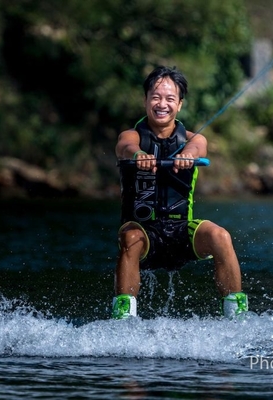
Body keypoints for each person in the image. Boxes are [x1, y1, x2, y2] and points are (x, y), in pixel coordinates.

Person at [112, 65, 248, 319]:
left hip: (180, 231)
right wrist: (139, 155)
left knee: (220, 235)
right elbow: (124, 147)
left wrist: (187, 155)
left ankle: (236, 315)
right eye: (156, 97)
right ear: (145, 101)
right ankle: (123, 319)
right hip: (143, 232)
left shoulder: (192, 139)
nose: (162, 104)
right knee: (129, 238)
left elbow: (199, 148)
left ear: (180, 105)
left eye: (170, 98)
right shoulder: (131, 136)